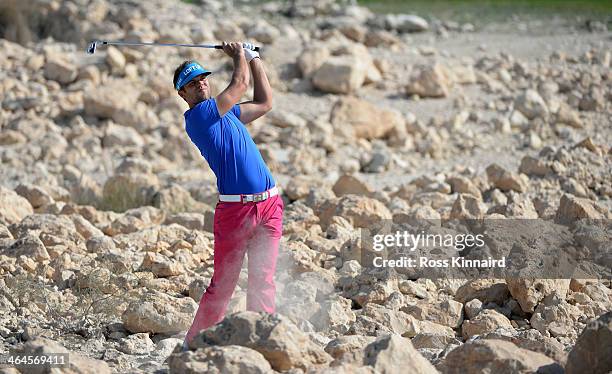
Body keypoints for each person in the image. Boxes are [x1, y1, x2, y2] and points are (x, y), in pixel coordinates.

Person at [173, 41, 283, 348]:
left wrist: (255, 58)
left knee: (264, 280)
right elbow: (240, 82)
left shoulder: (228, 113)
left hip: (270, 205)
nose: (201, 84)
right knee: (222, 285)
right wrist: (238, 55)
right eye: (192, 84)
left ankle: (260, 340)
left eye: (203, 78)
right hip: (236, 214)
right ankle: (194, 346)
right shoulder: (199, 117)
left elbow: (264, 102)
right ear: (183, 94)